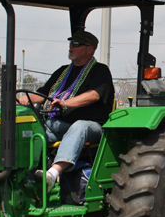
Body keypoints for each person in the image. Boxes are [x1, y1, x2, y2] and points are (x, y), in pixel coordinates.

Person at [18, 31, 114, 191]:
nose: (71, 47)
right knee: (32, 131)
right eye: (70, 43)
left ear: (89, 49)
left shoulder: (100, 70)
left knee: (80, 126)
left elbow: (94, 95)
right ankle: (25, 174)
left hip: (93, 127)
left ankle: (52, 174)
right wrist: (25, 98)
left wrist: (65, 103)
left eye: (76, 44)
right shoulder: (62, 71)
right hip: (60, 124)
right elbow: (43, 94)